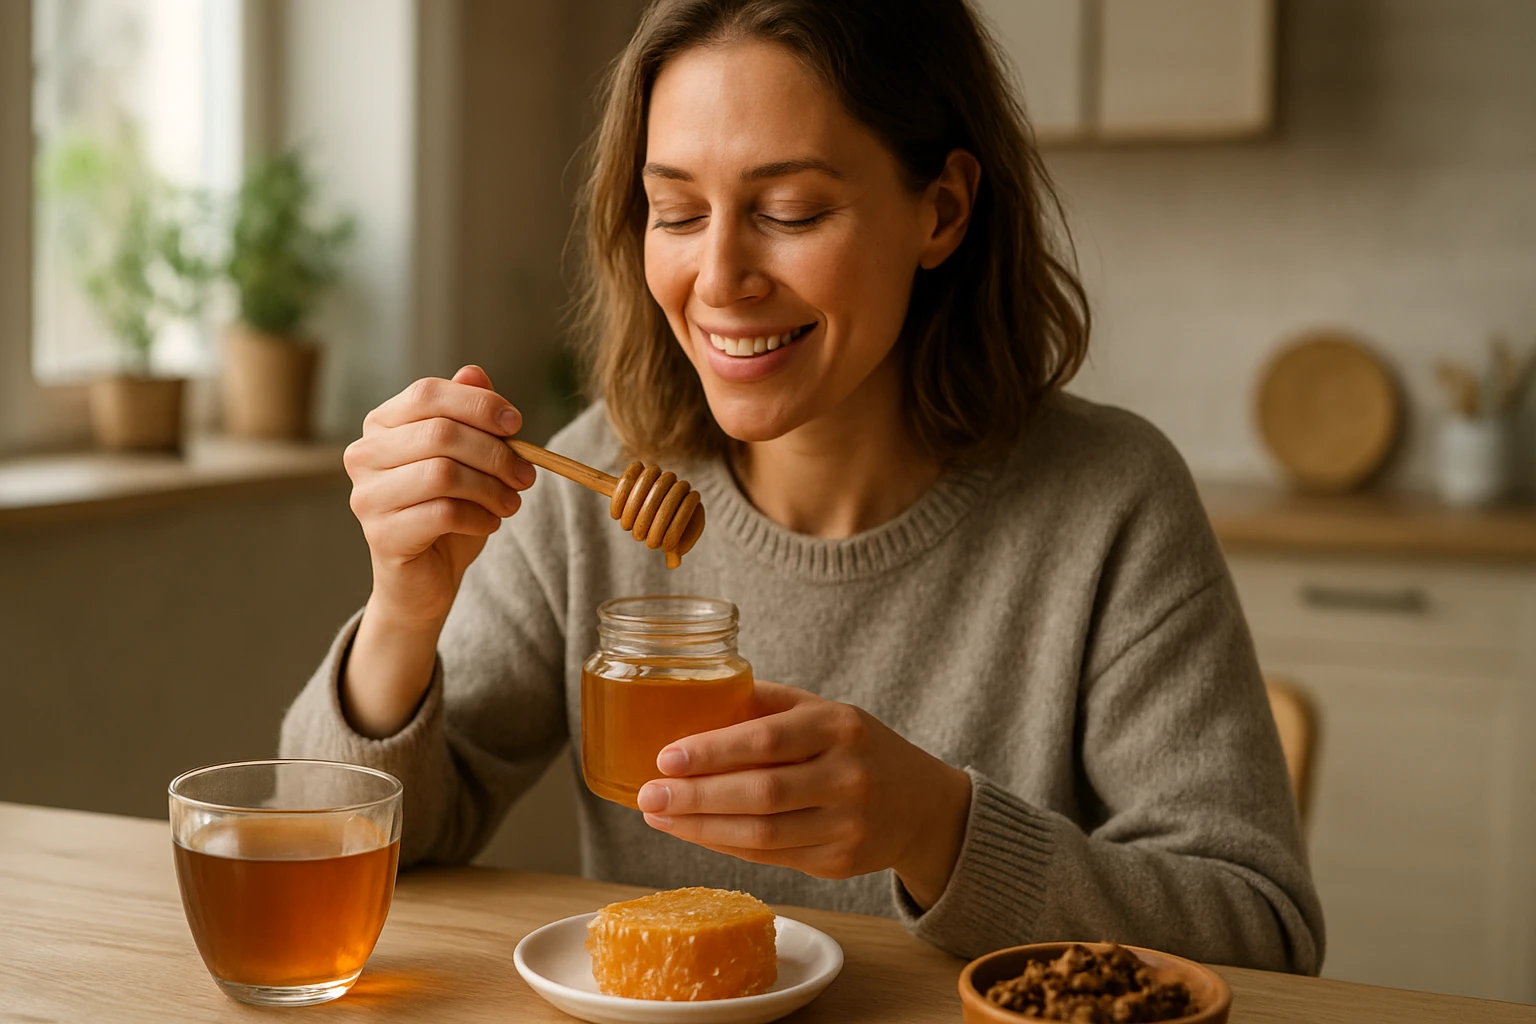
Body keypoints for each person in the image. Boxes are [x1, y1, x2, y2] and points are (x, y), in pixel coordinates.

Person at [281, 0, 1324, 972]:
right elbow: (335, 836)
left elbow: (1260, 933)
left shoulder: (1108, 504)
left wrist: (936, 825)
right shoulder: (593, 485)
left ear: (944, 211)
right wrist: (403, 612)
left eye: (789, 209)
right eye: (676, 213)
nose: (721, 277)